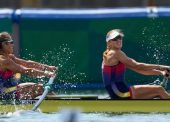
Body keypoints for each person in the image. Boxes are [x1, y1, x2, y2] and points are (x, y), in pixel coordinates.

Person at [102, 29, 170, 99]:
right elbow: (138, 66)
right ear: (109, 42)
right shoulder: (115, 53)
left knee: (158, 91)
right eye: (115, 39)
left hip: (117, 92)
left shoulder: (112, 55)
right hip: (120, 92)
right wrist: (163, 67)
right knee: (159, 90)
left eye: (120, 38)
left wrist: (161, 73)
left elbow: (139, 70)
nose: (119, 40)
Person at [0, 32, 57, 100]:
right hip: (3, 94)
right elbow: (26, 70)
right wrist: (47, 74)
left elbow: (27, 63)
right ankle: (59, 107)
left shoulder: (10, 57)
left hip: (9, 89)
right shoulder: (3, 60)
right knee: (41, 88)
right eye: (11, 42)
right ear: (3, 45)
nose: (13, 45)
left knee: (43, 88)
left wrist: (48, 68)